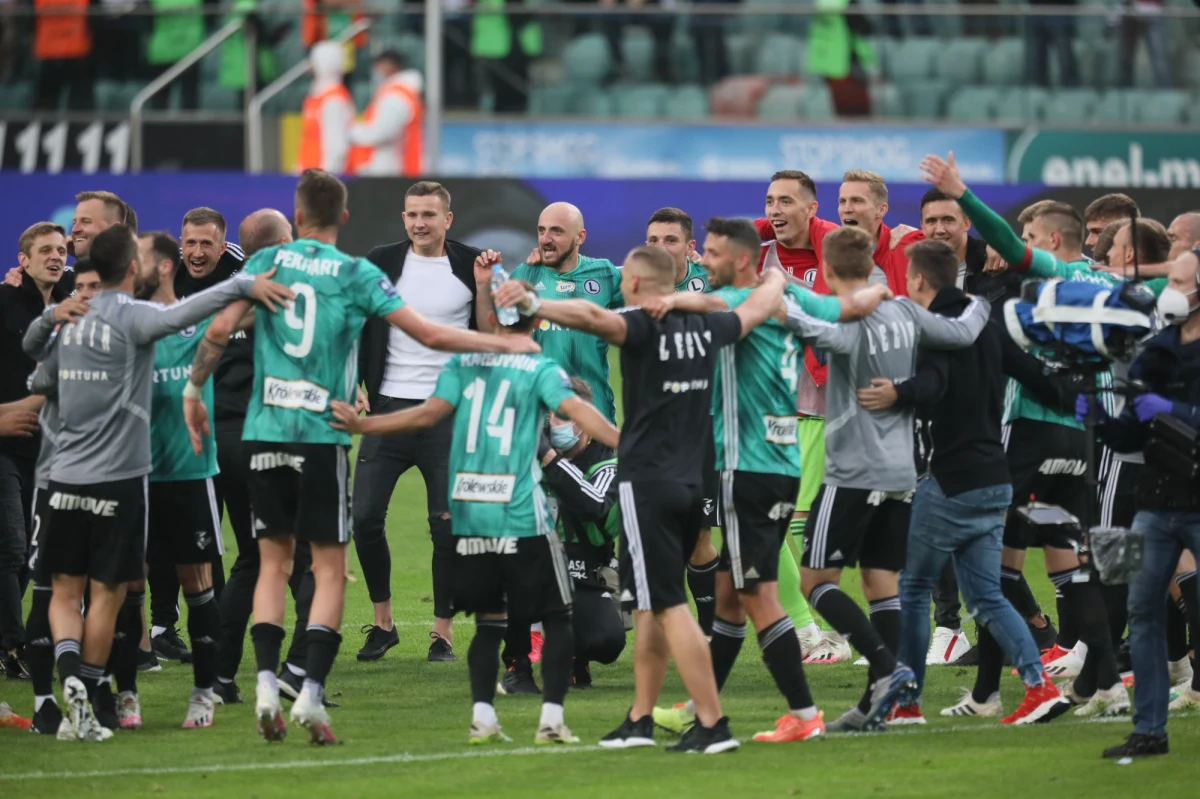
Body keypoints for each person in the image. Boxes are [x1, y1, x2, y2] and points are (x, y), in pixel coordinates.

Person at [182, 169, 541, 746]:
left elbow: (217, 328)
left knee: (272, 562)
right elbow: (431, 335)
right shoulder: (357, 273)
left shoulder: (264, 265)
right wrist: (504, 343)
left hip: (264, 431)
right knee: (328, 568)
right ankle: (313, 695)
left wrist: (192, 390)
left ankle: (268, 683)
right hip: (324, 437)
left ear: (297, 219)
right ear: (343, 218)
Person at [497, 246, 788, 753]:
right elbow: (760, 304)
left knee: (668, 606)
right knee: (650, 607)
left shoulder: (640, 323)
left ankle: (713, 724)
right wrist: (772, 278)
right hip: (691, 483)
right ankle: (639, 718)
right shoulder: (710, 328)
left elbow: (589, 315)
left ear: (632, 283)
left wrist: (534, 304)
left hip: (647, 485)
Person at [22, 223, 290, 743]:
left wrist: (53, 318)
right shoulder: (139, 319)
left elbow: (38, 374)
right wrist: (245, 280)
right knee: (112, 593)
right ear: (132, 268)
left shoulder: (74, 322)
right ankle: (109, 692)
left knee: (79, 590)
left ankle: (152, 687)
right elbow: (186, 313)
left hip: (109, 477)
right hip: (124, 478)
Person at [330, 289, 619, 745]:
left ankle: (483, 716)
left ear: (490, 320)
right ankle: (551, 720)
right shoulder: (540, 369)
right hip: (522, 512)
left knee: (489, 620)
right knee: (559, 617)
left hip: (470, 514)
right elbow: (578, 411)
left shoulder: (462, 368)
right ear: (535, 322)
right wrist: (631, 443)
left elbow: (425, 414)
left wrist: (364, 426)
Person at [646, 217, 891, 744]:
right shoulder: (794, 299)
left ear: (739, 260)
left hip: (745, 468)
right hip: (781, 466)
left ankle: (808, 713)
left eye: (710, 254)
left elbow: (710, 306)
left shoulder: (743, 302)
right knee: (729, 595)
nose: (702, 262)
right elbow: (851, 306)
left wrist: (668, 302)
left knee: (757, 594)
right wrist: (880, 287)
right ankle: (698, 705)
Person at [922, 151, 1133, 714]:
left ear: (1054, 242)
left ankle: (1009, 687)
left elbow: (1007, 246)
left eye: (1032, 236)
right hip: (1083, 440)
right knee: (1067, 569)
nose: (1018, 245)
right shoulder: (1113, 287)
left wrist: (960, 192)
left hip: (1034, 432)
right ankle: (1100, 686)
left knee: (994, 569)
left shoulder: (1060, 274)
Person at [779, 225, 991, 732]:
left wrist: (778, 297)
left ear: (828, 270)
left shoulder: (850, 320)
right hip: (902, 472)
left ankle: (889, 669)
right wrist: (984, 302)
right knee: (881, 584)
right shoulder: (905, 311)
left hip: (853, 470)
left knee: (814, 581)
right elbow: (963, 330)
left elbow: (811, 329)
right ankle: (891, 704)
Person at [860, 239, 1073, 725]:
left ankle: (908, 701)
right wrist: (1091, 402)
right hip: (994, 479)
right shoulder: (990, 328)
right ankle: (1039, 688)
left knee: (913, 588)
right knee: (986, 596)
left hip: (951, 480)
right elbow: (1043, 380)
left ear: (916, 280)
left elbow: (934, 384)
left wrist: (900, 393)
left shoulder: (938, 334)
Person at [354, 181, 482, 664]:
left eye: (429, 214)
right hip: (387, 408)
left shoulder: (473, 264)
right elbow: (354, 319)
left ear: (448, 219)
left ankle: (442, 633)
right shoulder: (381, 260)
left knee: (445, 526)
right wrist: (355, 382)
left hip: (448, 414)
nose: (419, 223)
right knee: (364, 517)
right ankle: (383, 624)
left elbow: (490, 328)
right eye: (411, 214)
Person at [1092, 249, 1200, 758]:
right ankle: (1150, 730)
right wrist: (1097, 418)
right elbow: (1132, 432)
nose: (1169, 291)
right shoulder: (1155, 349)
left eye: (1179, 281)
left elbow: (1172, 413)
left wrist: (1174, 409)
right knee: (1143, 607)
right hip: (1156, 500)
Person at [213, 209, 322, 709]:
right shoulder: (290, 294)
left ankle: (219, 675)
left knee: (251, 558)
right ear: (286, 241)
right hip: (273, 438)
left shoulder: (228, 293)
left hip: (222, 440)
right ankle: (296, 672)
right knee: (307, 557)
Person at [918, 187, 1022, 665]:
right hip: (937, 415)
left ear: (968, 223)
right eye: (931, 220)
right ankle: (949, 628)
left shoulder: (995, 266)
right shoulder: (913, 262)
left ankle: (1028, 631)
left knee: (987, 533)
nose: (939, 228)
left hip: (991, 414)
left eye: (948, 219)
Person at [753, 171, 845, 662]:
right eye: (769, 201)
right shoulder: (759, 253)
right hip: (768, 408)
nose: (775, 209)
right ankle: (815, 631)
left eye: (786, 201)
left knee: (793, 525)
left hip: (821, 407)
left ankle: (826, 631)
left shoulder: (836, 248)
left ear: (811, 208)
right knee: (762, 522)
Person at [149, 206, 246, 667]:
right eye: (190, 243)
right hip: (180, 432)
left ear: (223, 243)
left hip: (241, 424)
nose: (197, 252)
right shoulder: (164, 286)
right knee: (174, 538)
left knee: (231, 539)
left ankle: (224, 631)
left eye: (207, 243)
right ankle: (164, 626)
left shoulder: (245, 277)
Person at [19, 260, 99, 735]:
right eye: (81, 287)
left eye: (94, 286)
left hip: (86, 479)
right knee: (59, 592)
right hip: (69, 479)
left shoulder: (102, 336)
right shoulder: (66, 339)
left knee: (88, 593)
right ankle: (54, 698)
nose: (86, 294)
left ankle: (78, 693)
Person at [474, 202, 624, 422]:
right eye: (541, 230)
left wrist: (693, 268)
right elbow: (493, 336)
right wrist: (482, 288)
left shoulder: (604, 273)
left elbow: (652, 298)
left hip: (594, 414)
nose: (545, 239)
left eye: (557, 231)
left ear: (580, 237)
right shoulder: (524, 274)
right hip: (538, 416)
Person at [0, 222, 72, 679]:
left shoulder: (74, 302)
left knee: (30, 551)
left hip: (50, 451)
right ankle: (13, 646)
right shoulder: (4, 300)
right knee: (10, 544)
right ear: (23, 261)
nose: (55, 256)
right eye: (44, 250)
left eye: (61, 249)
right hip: (5, 444)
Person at [538, 377, 627, 691]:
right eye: (547, 414)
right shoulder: (526, 454)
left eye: (561, 414)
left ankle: (576, 654)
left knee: (606, 640)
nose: (551, 422)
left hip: (584, 567)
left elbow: (596, 506)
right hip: (530, 562)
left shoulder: (610, 462)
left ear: (586, 420)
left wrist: (551, 460)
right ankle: (517, 666)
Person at [347, 49, 424, 177]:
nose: (376, 70)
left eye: (379, 65)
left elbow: (382, 132)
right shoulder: (395, 92)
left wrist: (352, 133)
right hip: (389, 167)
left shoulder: (396, 96)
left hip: (390, 169)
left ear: (392, 66)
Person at [295, 41, 354, 175]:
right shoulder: (318, 97)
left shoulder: (334, 100)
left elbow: (337, 148)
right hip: (311, 175)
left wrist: (325, 182)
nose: (310, 66)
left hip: (322, 179)